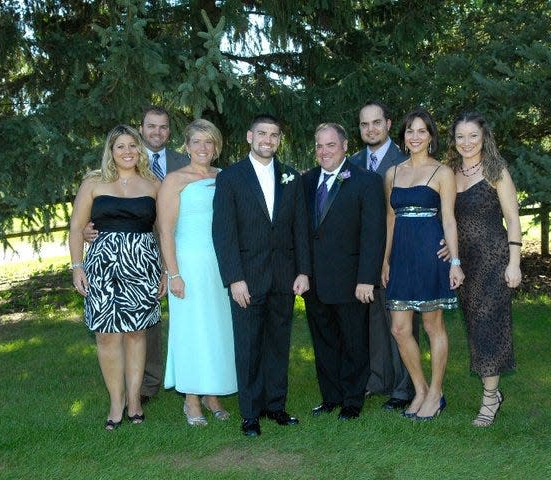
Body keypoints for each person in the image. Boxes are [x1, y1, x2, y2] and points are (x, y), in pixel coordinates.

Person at [212, 114, 311, 437]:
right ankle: (250, 413)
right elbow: (223, 233)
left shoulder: (291, 177)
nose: (268, 140)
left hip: (283, 276)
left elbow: (300, 229)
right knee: (249, 346)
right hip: (247, 278)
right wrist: (234, 278)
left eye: (274, 135)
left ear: (279, 140)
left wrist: (303, 271)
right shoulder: (231, 178)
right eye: (262, 134)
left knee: (278, 344)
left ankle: (275, 406)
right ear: (250, 137)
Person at [84, 106, 189, 404]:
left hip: (168, 253)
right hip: (116, 259)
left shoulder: (183, 162)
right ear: (141, 128)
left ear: (170, 131)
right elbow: (85, 215)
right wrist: (86, 233)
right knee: (130, 330)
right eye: (151, 126)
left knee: (148, 327)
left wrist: (168, 268)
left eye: (164, 127)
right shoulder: (111, 167)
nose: (157, 132)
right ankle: (140, 390)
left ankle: (188, 382)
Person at [69, 125, 166, 430]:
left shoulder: (153, 184)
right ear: (110, 151)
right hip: (102, 266)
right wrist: (77, 266)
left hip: (143, 266)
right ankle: (116, 402)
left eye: (133, 146)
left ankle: (135, 400)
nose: (127, 152)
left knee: (137, 333)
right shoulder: (93, 183)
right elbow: (76, 228)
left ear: (140, 150)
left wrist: (166, 270)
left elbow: (163, 231)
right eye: (120, 146)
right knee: (107, 334)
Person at [381, 108, 464, 421]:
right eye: (410, 131)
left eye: (421, 131)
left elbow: (449, 219)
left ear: (431, 136)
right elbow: (390, 219)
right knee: (400, 329)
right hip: (400, 256)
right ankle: (420, 388)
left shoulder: (442, 172)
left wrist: (455, 261)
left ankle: (437, 393)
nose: (414, 137)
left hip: (431, 255)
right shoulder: (393, 174)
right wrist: (385, 261)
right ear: (403, 136)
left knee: (433, 325)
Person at [302, 123, 386, 421]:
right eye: (319, 146)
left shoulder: (366, 181)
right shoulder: (306, 181)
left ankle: (352, 400)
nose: (323, 151)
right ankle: (330, 397)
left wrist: (367, 278)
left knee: (353, 342)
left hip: (352, 280)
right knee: (323, 342)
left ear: (344, 146)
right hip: (315, 280)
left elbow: (373, 234)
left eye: (330, 145)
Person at [156, 119, 237, 426]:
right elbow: (166, 230)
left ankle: (212, 393)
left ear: (216, 146)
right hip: (188, 263)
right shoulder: (175, 180)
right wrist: (173, 273)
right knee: (191, 328)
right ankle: (191, 399)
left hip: (220, 264)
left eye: (210, 142)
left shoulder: (225, 176)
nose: (203, 148)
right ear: (186, 146)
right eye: (197, 142)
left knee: (218, 328)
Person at [446, 111, 522, 427]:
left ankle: (490, 399)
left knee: (488, 327)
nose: (466, 142)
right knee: (473, 325)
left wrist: (515, 263)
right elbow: (448, 217)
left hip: (494, 260)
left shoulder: (496, 171)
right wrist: (447, 247)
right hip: (464, 265)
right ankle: (492, 393)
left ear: (484, 137)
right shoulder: (449, 172)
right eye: (460, 136)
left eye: (473, 136)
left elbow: (513, 220)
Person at [348, 100, 419, 411]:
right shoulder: (350, 164)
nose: (370, 129)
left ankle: (405, 389)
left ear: (389, 124)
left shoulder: (405, 162)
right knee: (374, 322)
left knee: (401, 323)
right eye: (364, 124)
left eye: (376, 123)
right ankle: (378, 379)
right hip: (363, 257)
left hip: (400, 252)